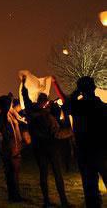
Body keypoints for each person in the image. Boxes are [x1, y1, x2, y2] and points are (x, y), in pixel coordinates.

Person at [53, 76, 107, 208]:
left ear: (81, 90)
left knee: (90, 190)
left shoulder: (78, 107)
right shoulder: (103, 107)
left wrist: (76, 92)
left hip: (85, 152)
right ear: (94, 88)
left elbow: (66, 106)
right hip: (103, 150)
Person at [22, 75, 73, 207]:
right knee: (57, 174)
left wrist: (23, 83)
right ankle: (63, 200)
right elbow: (57, 132)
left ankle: (46, 201)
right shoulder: (48, 117)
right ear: (45, 103)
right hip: (51, 147)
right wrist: (71, 131)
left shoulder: (30, 113)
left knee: (43, 174)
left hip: (39, 148)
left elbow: (25, 98)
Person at [0, 95, 23, 202]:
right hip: (10, 149)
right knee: (11, 174)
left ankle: (16, 195)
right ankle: (13, 196)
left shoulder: (8, 114)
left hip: (14, 147)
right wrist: (13, 149)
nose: (9, 106)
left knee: (14, 174)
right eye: (7, 104)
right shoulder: (3, 116)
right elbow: (6, 134)